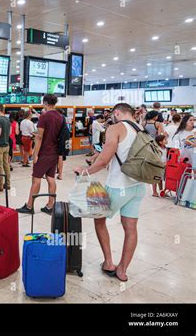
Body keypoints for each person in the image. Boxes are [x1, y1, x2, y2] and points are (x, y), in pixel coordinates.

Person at [74, 103, 146, 283]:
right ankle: (122, 270)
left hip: (118, 186)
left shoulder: (115, 128)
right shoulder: (140, 128)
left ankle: (108, 262)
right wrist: (94, 158)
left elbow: (104, 160)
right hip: (138, 186)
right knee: (130, 228)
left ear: (117, 113)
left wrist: (84, 170)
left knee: (99, 220)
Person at [16, 94, 62, 215]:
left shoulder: (44, 117)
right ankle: (50, 205)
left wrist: (35, 154)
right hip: (54, 152)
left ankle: (29, 206)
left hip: (44, 152)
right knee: (50, 178)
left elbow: (40, 137)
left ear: (46, 103)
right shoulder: (60, 117)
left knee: (36, 178)